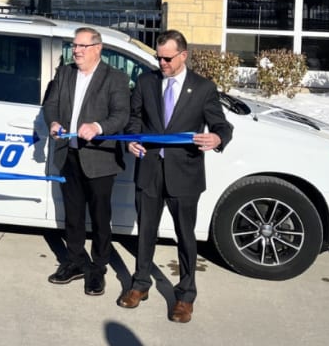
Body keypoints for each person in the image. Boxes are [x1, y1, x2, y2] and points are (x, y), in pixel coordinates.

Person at [117, 29, 234, 323]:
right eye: (159, 57)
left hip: (185, 175)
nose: (162, 63)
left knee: (185, 237)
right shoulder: (146, 82)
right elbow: (134, 119)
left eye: (168, 58)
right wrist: (132, 139)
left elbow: (222, 126)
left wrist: (217, 139)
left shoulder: (203, 88)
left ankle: (185, 295)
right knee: (145, 232)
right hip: (150, 170)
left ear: (183, 55)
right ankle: (140, 285)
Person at [42, 27, 130, 296]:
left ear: (97, 48)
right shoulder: (66, 73)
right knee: (73, 215)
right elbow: (51, 105)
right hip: (68, 155)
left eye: (82, 46)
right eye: (74, 46)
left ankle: (98, 268)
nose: (76, 51)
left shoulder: (115, 78)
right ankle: (76, 262)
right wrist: (54, 122)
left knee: (101, 218)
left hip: (99, 158)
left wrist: (98, 127)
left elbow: (121, 116)